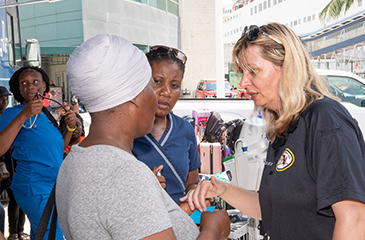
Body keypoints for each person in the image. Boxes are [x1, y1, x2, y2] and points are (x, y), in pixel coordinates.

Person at [182, 23, 365, 239]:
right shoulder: (285, 126)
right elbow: (272, 207)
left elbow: (354, 218)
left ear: (288, 68)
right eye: (242, 72)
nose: (242, 82)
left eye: (254, 71)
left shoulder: (324, 118)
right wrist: (222, 189)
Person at [56, 34, 230, 240]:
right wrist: (213, 230)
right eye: (151, 85)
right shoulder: (125, 175)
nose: (160, 95)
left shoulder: (74, 162)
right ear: (134, 96)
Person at [0, 66, 77, 240]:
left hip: (52, 185)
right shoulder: (12, 113)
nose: (30, 87)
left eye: (35, 82)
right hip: (33, 186)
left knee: (41, 232)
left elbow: (56, 150)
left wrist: (70, 128)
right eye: (24, 83)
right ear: (18, 89)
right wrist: (23, 115)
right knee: (52, 233)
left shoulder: (45, 115)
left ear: (44, 86)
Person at [132, 46, 201, 213]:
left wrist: (196, 195)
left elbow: (192, 182)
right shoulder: (128, 131)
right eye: (157, 81)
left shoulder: (185, 130)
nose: (166, 92)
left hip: (183, 221)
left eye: (174, 85)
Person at [0, 87, 29, 240]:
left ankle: (16, 231)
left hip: (13, 163)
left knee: (16, 199)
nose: (5, 101)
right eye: (2, 99)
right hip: (3, 163)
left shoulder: (11, 115)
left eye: (6, 98)